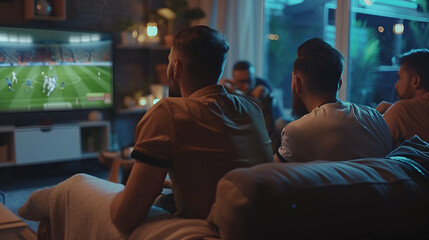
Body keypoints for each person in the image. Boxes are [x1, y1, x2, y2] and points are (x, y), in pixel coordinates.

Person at [110, 25, 273, 234]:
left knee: (82, 187)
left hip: (213, 228)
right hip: (258, 226)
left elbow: (124, 217)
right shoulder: (252, 109)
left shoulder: (168, 112)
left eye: (169, 61)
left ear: (176, 67)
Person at [274, 38, 392, 163]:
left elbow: (268, 177)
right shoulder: (376, 118)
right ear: (339, 84)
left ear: (297, 84)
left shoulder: (296, 132)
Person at [220, 61, 286, 151]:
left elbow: (268, 111)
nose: (246, 86)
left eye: (249, 81)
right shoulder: (232, 90)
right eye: (241, 82)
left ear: (254, 78)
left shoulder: (262, 85)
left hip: (273, 128)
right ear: (234, 81)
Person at [376, 49, 429, 147]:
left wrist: (373, 117)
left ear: (415, 81)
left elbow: (366, 148)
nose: (396, 85)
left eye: (400, 78)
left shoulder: (401, 111)